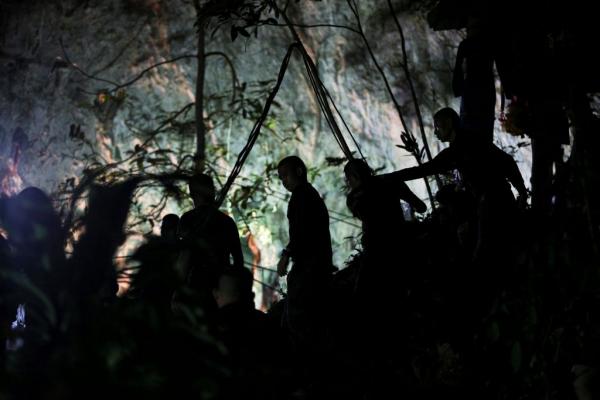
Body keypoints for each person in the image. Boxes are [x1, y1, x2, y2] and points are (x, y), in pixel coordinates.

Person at [389, 107, 528, 263]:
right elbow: (507, 162)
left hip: (492, 201)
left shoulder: (459, 149)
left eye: (438, 127)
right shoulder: (468, 143)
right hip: (494, 198)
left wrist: (391, 177)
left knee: (484, 251)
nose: (435, 132)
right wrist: (522, 191)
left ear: (449, 123)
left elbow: (424, 169)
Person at [276, 156, 334, 391]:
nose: (283, 181)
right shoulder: (310, 195)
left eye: (285, 175)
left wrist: (286, 255)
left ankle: (308, 374)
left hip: (309, 268)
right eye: (280, 178)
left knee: (300, 319)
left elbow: (302, 232)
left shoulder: (301, 196)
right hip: (318, 265)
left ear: (299, 171)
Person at [178, 174, 244, 313]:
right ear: (213, 192)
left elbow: (182, 259)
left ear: (192, 194)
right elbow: (238, 261)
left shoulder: (187, 220)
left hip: (195, 286)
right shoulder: (226, 222)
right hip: (220, 289)